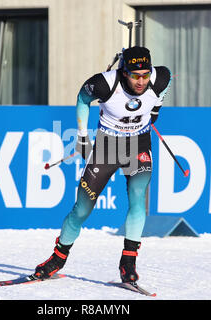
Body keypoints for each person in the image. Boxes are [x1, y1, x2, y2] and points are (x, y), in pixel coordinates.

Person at [35, 46, 171, 283]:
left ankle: (128, 262)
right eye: (135, 75)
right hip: (108, 147)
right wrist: (81, 137)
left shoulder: (160, 78)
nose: (141, 81)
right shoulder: (104, 83)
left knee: (138, 198)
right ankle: (57, 257)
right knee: (82, 209)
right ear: (124, 71)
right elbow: (82, 99)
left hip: (139, 145)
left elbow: (166, 80)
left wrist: (156, 109)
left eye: (145, 75)